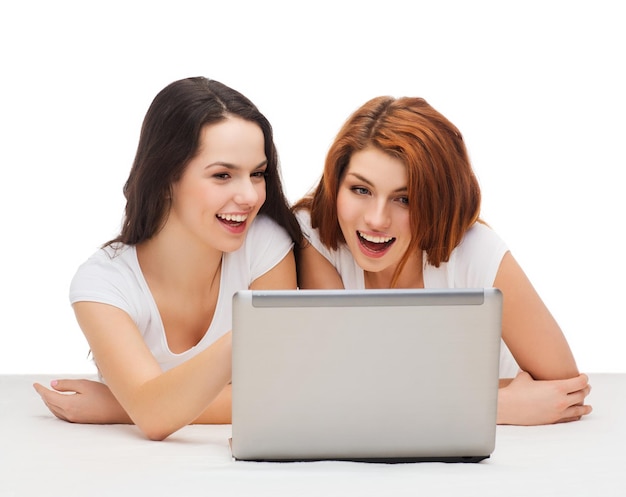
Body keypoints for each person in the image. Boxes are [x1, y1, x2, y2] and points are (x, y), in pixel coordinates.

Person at [293, 95, 592, 426]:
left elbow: (566, 391)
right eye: (361, 190)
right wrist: (492, 406)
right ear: (337, 184)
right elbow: (342, 388)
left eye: (404, 199)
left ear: (437, 201)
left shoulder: (475, 251)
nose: (377, 219)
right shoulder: (313, 236)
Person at [34, 76, 301, 440]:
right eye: (222, 175)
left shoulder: (264, 246)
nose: (250, 196)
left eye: (257, 174)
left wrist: (119, 406)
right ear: (166, 177)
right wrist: (255, 330)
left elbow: (281, 393)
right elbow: (156, 416)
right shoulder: (103, 285)